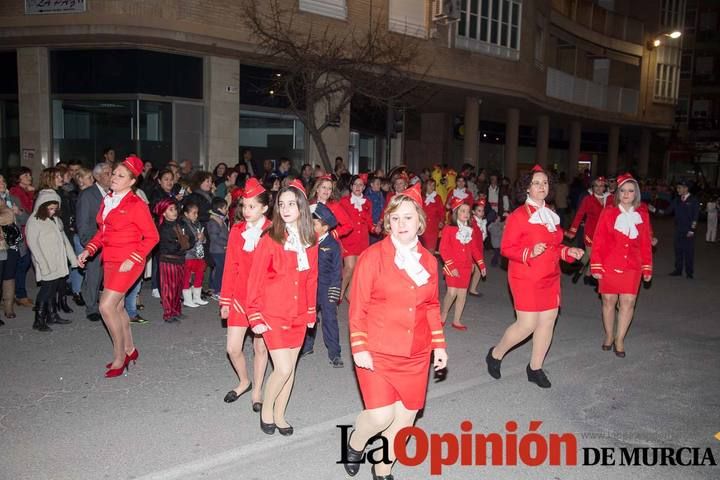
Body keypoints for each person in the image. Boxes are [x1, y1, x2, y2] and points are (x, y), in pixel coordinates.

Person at [342, 183, 447, 480]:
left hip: (415, 354)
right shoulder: (372, 257)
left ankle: (383, 468)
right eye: (396, 218)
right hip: (377, 351)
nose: (402, 224)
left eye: (408, 217)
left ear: (420, 222)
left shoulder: (428, 261)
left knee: (404, 420)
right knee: (380, 415)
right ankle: (356, 443)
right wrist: (359, 347)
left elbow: (431, 306)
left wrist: (439, 345)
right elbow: (357, 307)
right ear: (388, 222)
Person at [486, 165, 583, 388]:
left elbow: (555, 246)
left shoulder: (551, 214)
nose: (541, 186)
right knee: (527, 325)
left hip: (550, 276)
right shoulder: (519, 216)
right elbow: (506, 249)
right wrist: (529, 251)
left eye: (545, 183)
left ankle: (535, 368)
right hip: (525, 276)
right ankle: (495, 354)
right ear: (527, 188)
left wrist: (569, 252)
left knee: (548, 322)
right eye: (536, 183)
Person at [245, 180, 318, 436]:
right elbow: (254, 279)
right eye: (282, 204)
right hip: (273, 313)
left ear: (301, 207)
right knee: (283, 368)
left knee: (290, 369)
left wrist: (310, 312)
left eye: (291, 204)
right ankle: (266, 410)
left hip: (299, 314)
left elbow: (312, 277)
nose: (286, 208)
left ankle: (280, 413)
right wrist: (254, 315)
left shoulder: (310, 238)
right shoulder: (270, 238)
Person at [77, 156, 160, 378]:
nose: (114, 178)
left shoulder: (137, 205)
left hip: (129, 262)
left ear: (132, 182)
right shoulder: (108, 200)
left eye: (120, 176)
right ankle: (131, 349)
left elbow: (152, 237)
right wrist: (89, 250)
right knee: (118, 307)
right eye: (114, 173)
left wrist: (133, 258)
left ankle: (119, 357)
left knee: (106, 306)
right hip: (110, 260)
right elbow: (101, 232)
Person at [219, 178, 271, 410]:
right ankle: (244, 381)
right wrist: (225, 299)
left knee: (260, 348)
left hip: (263, 300)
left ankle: (258, 391)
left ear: (264, 208)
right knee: (233, 348)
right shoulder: (237, 230)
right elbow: (230, 266)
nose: (246, 211)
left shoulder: (273, 231)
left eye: (252, 206)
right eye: (244, 206)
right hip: (239, 297)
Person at [590, 173, 653, 357]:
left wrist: (647, 266)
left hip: (633, 266)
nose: (626, 194)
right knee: (609, 301)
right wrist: (596, 265)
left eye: (630, 191)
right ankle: (609, 335)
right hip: (609, 265)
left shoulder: (642, 213)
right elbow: (599, 240)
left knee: (628, 302)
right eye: (623, 190)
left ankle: (620, 338)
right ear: (618, 193)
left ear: (636, 193)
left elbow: (645, 243)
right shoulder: (608, 212)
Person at [25, 190, 78, 332]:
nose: (53, 211)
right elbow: (33, 246)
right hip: (46, 262)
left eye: (55, 208)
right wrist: (43, 266)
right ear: (42, 206)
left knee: (54, 289)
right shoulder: (34, 221)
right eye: (50, 208)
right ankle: (39, 320)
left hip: (58, 261)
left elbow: (65, 240)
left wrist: (73, 259)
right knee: (46, 290)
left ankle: (52, 315)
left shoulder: (55, 219)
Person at [299, 203, 343, 366]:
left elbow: (337, 270)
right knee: (308, 317)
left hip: (326, 288)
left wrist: (335, 290)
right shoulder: (308, 241)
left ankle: (335, 353)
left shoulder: (333, 245)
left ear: (324, 227)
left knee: (329, 320)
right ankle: (307, 346)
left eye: (315, 223)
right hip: (310, 287)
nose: (311, 225)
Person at [439, 197, 486, 330]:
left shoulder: (470, 230)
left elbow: (474, 249)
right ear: (456, 213)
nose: (466, 214)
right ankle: (443, 314)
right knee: (452, 292)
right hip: (452, 266)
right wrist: (451, 266)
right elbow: (443, 249)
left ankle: (457, 320)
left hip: (466, 267)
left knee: (462, 294)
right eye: (462, 211)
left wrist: (481, 264)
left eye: (467, 211)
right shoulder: (449, 229)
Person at [76, 163, 112, 322]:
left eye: (111, 172)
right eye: (107, 173)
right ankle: (91, 307)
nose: (111, 176)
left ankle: (94, 298)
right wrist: (88, 244)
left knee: (104, 275)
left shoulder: (112, 193)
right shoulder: (88, 195)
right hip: (94, 241)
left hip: (111, 241)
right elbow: (83, 222)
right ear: (97, 177)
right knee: (94, 275)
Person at [339, 174, 381, 301]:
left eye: (361, 185)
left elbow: (368, 222)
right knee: (349, 268)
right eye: (355, 184)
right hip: (348, 239)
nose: (358, 187)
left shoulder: (367, 202)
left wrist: (374, 228)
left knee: (356, 270)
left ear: (364, 188)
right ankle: (338, 296)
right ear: (351, 187)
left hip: (362, 240)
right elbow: (340, 221)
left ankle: (350, 295)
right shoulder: (344, 202)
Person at [566, 176, 613, 285]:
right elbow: (579, 214)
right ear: (593, 187)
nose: (598, 188)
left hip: (605, 232)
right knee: (594, 256)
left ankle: (585, 273)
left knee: (591, 256)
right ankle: (596, 279)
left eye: (601, 186)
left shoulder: (610, 199)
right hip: (590, 232)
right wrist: (573, 230)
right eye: (596, 186)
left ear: (605, 187)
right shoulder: (588, 199)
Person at [155, 199, 195, 323]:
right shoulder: (163, 228)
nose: (174, 212)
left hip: (180, 259)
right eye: (170, 210)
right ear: (163, 213)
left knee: (178, 287)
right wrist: (183, 243)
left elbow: (191, 238)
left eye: (175, 209)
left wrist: (183, 242)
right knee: (168, 288)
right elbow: (171, 247)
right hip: (168, 261)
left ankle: (176, 310)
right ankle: (168, 313)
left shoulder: (180, 223)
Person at [662, 180, 700, 279]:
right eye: (677, 187)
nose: (677, 189)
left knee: (688, 252)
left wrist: (692, 230)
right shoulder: (677, 200)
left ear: (686, 188)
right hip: (678, 229)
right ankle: (678, 270)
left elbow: (695, 217)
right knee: (678, 250)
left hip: (688, 231)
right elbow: (667, 211)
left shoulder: (693, 200)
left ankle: (689, 272)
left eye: (679, 188)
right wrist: (655, 210)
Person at [9, 166, 35, 307]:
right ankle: (20, 295)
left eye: (29, 174)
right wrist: (30, 195)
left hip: (27, 231)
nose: (29, 177)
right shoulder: (15, 192)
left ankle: (18, 294)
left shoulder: (25, 191)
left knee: (23, 264)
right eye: (25, 175)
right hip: (20, 232)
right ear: (18, 178)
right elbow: (26, 215)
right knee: (22, 263)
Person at [180, 202, 208, 308]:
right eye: (194, 213)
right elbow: (184, 240)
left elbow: (204, 238)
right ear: (186, 214)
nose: (196, 215)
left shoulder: (198, 223)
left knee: (199, 275)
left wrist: (203, 238)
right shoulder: (183, 224)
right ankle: (187, 299)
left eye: (197, 213)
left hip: (198, 254)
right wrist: (197, 237)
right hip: (188, 255)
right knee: (186, 277)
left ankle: (197, 298)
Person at [207, 197, 229, 298]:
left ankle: (214, 288)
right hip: (217, 250)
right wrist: (226, 243)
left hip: (221, 250)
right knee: (219, 270)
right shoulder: (214, 222)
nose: (226, 210)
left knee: (219, 269)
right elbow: (214, 238)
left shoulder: (220, 219)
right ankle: (216, 290)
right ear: (219, 209)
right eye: (225, 208)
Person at [420, 178, 444, 253]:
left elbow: (442, 211)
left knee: (431, 249)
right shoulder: (421, 197)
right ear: (425, 186)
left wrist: (441, 221)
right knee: (423, 249)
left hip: (433, 226)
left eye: (433, 185)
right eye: (430, 185)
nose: (432, 187)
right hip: (422, 226)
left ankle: (430, 264)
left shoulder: (437, 198)